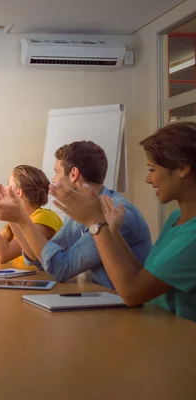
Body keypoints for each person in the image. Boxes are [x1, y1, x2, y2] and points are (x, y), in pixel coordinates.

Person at [49, 123, 196, 321]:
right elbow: (141, 275)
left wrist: (96, 223)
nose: (148, 179)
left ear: (183, 169)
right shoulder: (175, 219)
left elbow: (132, 293)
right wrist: (113, 233)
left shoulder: (192, 235)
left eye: (152, 169)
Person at [0, 141, 152, 289]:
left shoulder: (115, 213)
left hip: (127, 312)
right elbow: (40, 260)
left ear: (74, 174)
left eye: (56, 172)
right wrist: (15, 217)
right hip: (101, 299)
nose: (53, 179)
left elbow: (60, 268)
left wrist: (20, 218)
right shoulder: (79, 210)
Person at [0, 165, 62, 266]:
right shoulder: (19, 219)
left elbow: (3, 255)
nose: (5, 188)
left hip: (39, 280)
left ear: (19, 192)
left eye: (8, 184)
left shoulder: (45, 217)